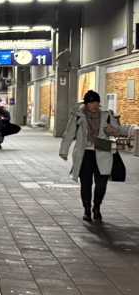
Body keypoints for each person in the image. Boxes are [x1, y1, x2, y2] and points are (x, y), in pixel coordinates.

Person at [59, 90, 121, 222]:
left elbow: (117, 131)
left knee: (101, 184)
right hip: (85, 153)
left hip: (103, 152)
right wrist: (64, 150)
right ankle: (87, 209)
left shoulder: (107, 115)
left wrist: (113, 130)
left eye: (96, 102)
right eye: (91, 102)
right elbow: (69, 133)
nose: (94, 105)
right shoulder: (78, 116)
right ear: (86, 104)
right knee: (86, 184)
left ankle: (96, 207)